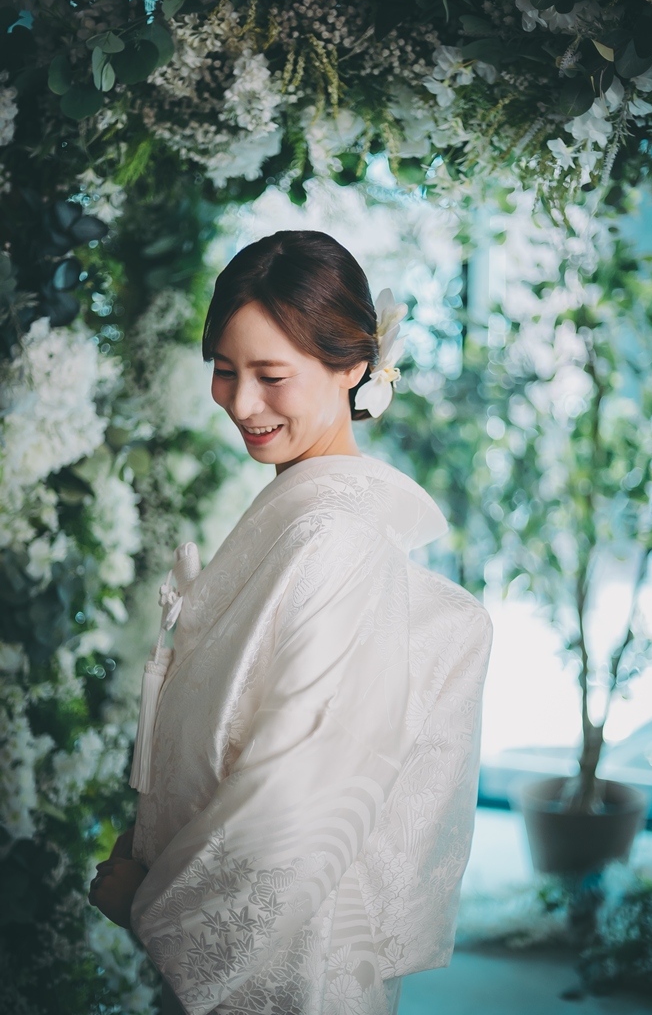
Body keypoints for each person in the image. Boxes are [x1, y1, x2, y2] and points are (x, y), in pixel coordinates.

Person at [89, 230, 492, 1015]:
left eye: (271, 376)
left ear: (352, 368)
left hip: (285, 963)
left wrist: (152, 903)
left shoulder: (334, 539)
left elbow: (302, 794)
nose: (242, 403)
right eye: (224, 370)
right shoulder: (304, 514)